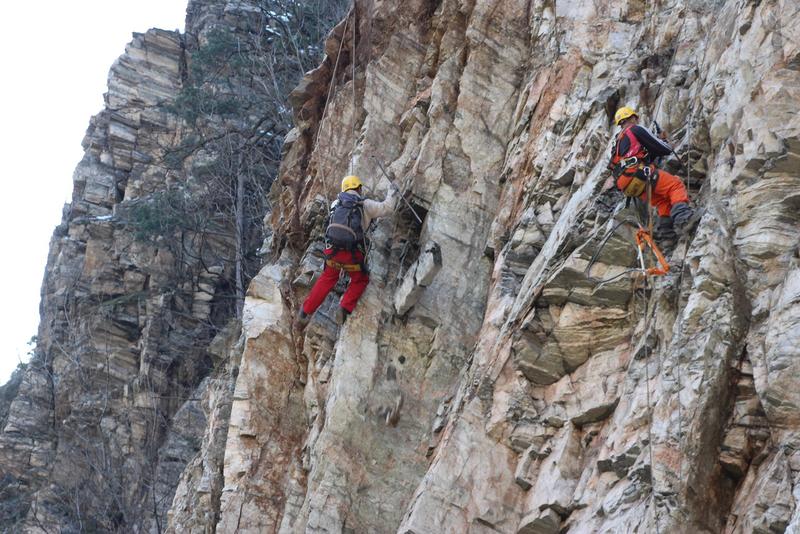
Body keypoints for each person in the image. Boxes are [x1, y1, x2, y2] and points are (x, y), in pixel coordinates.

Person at [298, 175, 398, 326]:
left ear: (344, 189)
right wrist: (393, 190)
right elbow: (387, 208)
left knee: (327, 278)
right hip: (352, 255)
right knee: (360, 279)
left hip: (332, 252)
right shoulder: (365, 204)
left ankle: (305, 311)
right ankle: (344, 308)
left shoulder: (336, 203)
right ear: (358, 188)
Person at [608, 106, 697, 245]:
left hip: (626, 184)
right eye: (635, 118)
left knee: (662, 200)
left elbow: (636, 156)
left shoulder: (617, 141)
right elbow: (662, 148)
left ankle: (667, 236)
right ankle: (685, 219)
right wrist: (666, 143)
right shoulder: (635, 129)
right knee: (675, 185)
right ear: (632, 118)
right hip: (638, 173)